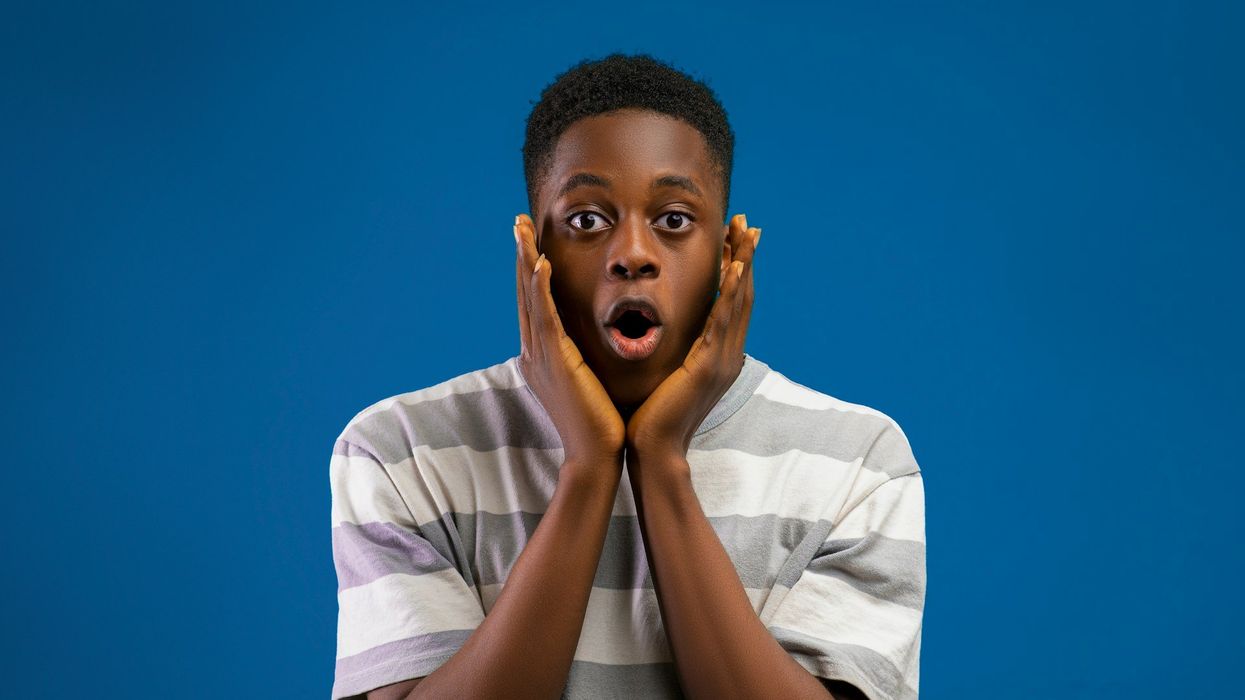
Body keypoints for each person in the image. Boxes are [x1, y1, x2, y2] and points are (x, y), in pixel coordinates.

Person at [330, 53, 925, 700]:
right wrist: (587, 468)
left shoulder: (859, 460)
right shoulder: (400, 450)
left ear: (728, 256)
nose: (633, 255)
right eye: (586, 220)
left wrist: (660, 463)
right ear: (534, 250)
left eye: (673, 220)